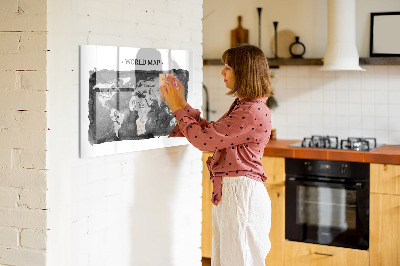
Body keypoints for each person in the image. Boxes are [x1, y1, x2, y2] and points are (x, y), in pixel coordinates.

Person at [160, 44, 273, 266]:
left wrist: (176, 108)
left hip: (241, 195)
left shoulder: (250, 111)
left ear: (244, 71)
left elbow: (204, 141)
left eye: (228, 67)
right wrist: (182, 104)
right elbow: (211, 132)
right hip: (235, 193)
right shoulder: (246, 106)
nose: (222, 72)